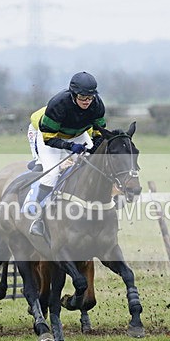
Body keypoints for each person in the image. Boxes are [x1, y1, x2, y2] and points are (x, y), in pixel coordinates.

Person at [29, 71, 106, 237]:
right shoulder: (58, 105)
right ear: (73, 94)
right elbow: (49, 139)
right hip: (49, 135)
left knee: (93, 164)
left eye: (90, 98)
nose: (87, 101)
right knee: (52, 174)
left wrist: (93, 151)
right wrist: (70, 147)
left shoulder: (97, 104)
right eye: (82, 97)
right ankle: (38, 217)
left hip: (77, 133)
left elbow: (100, 133)